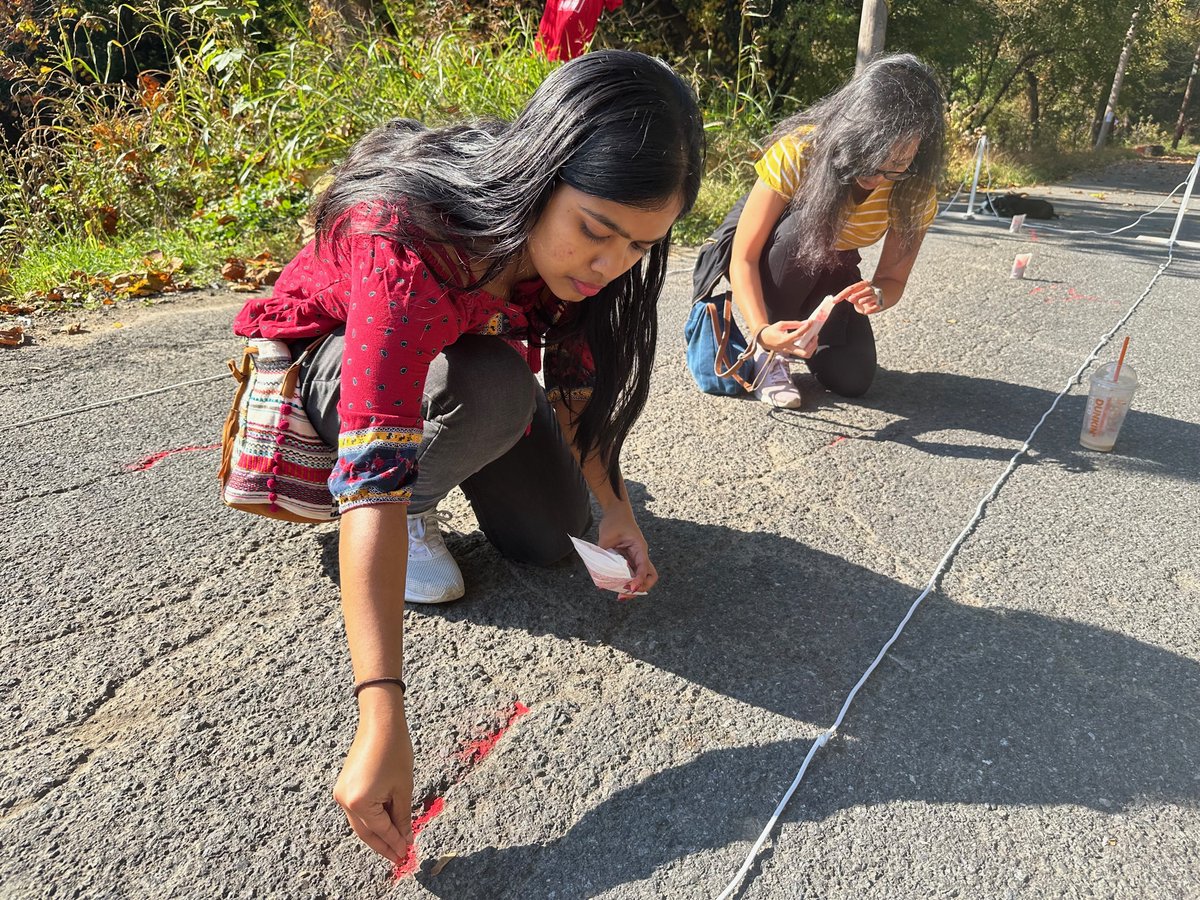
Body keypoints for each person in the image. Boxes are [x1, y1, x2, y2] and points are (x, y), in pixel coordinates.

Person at [230, 50, 703, 864]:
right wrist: (381, 712)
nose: (608, 265)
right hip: (341, 375)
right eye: (595, 231)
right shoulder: (404, 240)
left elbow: (578, 386)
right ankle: (421, 511)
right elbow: (374, 472)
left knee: (555, 539)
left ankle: (464, 451)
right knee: (493, 386)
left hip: (465, 362)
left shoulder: (596, 260)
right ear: (541, 172)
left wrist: (615, 508)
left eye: (638, 246)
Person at [692, 52, 945, 408]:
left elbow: (892, 279)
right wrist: (765, 333)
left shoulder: (916, 189)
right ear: (851, 127)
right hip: (776, 258)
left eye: (896, 166)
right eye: (867, 158)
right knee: (800, 231)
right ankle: (770, 352)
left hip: (830, 270)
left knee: (853, 379)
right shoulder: (801, 151)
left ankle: (800, 337)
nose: (876, 178)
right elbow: (743, 258)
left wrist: (877, 294)